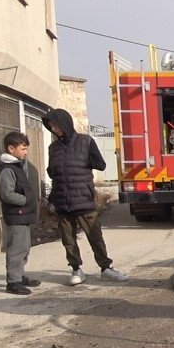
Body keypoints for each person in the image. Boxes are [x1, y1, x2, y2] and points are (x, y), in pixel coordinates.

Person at [42, 108, 129, 285]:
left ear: (64, 123)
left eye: (55, 124)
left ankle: (106, 269)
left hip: (83, 200)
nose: (53, 128)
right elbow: (53, 173)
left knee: (95, 237)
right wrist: (52, 198)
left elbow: (101, 164)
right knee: (68, 239)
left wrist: (80, 164)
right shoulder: (53, 148)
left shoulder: (85, 141)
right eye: (50, 126)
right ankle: (76, 269)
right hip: (62, 202)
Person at [0, 131, 41, 295]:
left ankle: (20, 276)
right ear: (11, 148)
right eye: (23, 148)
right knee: (16, 249)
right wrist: (25, 200)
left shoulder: (16, 166)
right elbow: (7, 194)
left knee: (24, 247)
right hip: (16, 214)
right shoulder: (7, 169)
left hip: (22, 215)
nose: (26, 152)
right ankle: (13, 282)